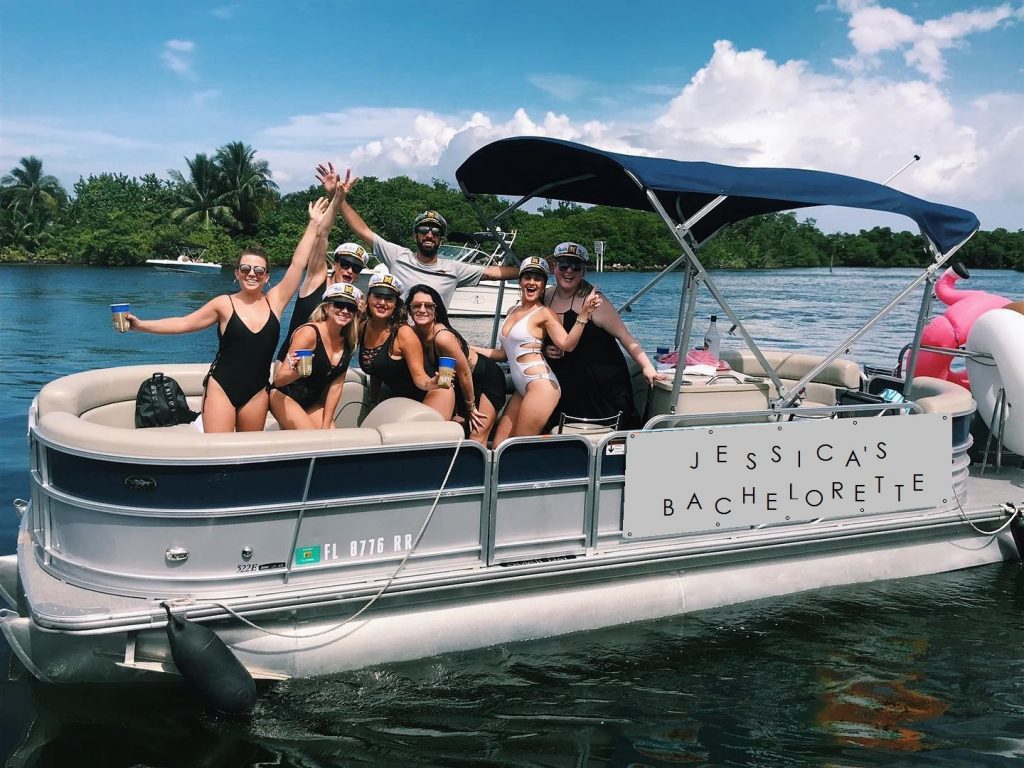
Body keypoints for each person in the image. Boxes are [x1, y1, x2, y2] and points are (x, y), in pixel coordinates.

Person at [125, 199, 328, 432]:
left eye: (259, 270)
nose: (252, 274)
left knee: (248, 452)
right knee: (217, 449)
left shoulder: (275, 302)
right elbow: (184, 323)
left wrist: (313, 225)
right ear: (237, 274)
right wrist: (140, 325)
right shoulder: (224, 304)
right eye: (245, 269)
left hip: (257, 391)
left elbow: (298, 263)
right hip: (222, 387)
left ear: (266, 277)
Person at [319, 163, 519, 308]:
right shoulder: (397, 256)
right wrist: (337, 198)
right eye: (423, 230)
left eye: (435, 231)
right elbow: (362, 230)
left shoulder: (453, 269)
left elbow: (493, 273)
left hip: (434, 340)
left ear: (441, 238)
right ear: (416, 236)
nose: (429, 234)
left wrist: (533, 268)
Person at [474, 256, 600, 447]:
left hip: (542, 387)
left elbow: (567, 344)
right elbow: (503, 354)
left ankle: (551, 453)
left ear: (543, 286)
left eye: (538, 279)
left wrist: (583, 315)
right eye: (528, 277)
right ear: (520, 281)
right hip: (522, 387)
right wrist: (467, 348)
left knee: (515, 449)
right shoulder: (512, 311)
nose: (532, 282)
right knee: (499, 445)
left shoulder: (544, 313)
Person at [543, 242, 661, 430]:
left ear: (584, 272)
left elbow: (625, 337)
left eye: (576, 267)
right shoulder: (545, 297)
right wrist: (545, 349)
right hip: (566, 385)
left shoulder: (597, 303)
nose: (569, 272)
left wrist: (647, 367)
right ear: (554, 267)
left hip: (601, 386)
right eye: (563, 265)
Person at [277, 164, 367, 360]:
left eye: (356, 267)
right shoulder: (316, 280)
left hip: (325, 372)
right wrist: (338, 198)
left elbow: (353, 342)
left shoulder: (356, 303)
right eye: (345, 264)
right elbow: (322, 235)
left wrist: (361, 316)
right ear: (334, 264)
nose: (349, 270)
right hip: (290, 366)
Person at [405, 284, 498, 442]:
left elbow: (464, 373)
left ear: (436, 311)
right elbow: (447, 377)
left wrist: (471, 407)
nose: (422, 310)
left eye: (428, 306)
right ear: (409, 310)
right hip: (460, 385)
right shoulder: (412, 333)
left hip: (484, 380)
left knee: (476, 434)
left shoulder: (442, 338)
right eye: (416, 306)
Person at [269, 282, 361, 430]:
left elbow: (336, 387)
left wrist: (326, 424)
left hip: (312, 402)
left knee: (330, 439)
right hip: (283, 396)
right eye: (339, 304)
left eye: (351, 307)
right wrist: (298, 372)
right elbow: (279, 380)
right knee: (312, 439)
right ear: (326, 307)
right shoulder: (309, 333)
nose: (345, 311)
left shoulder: (349, 342)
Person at [358, 272, 437, 406]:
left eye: (389, 298)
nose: (382, 303)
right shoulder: (363, 327)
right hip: (397, 398)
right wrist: (372, 401)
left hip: (430, 394)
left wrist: (433, 383)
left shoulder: (403, 333)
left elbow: (420, 378)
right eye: (378, 296)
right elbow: (376, 369)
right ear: (368, 299)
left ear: (395, 304)